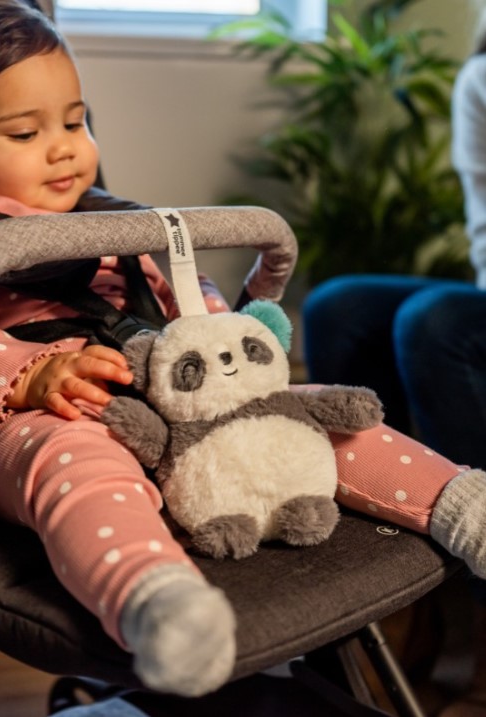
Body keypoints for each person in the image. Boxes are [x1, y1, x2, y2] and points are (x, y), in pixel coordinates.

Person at [0, 0, 486, 700]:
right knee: (77, 460)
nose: (63, 148)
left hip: (179, 404)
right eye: (24, 132)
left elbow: (186, 292)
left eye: (75, 122)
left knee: (310, 411)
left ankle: (462, 504)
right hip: (48, 420)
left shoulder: (113, 223)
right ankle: (157, 601)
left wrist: (224, 340)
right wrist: (32, 374)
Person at [302, 11, 486, 717]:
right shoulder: (481, 80)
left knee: (435, 325)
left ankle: (478, 602)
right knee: (338, 307)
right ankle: (396, 594)